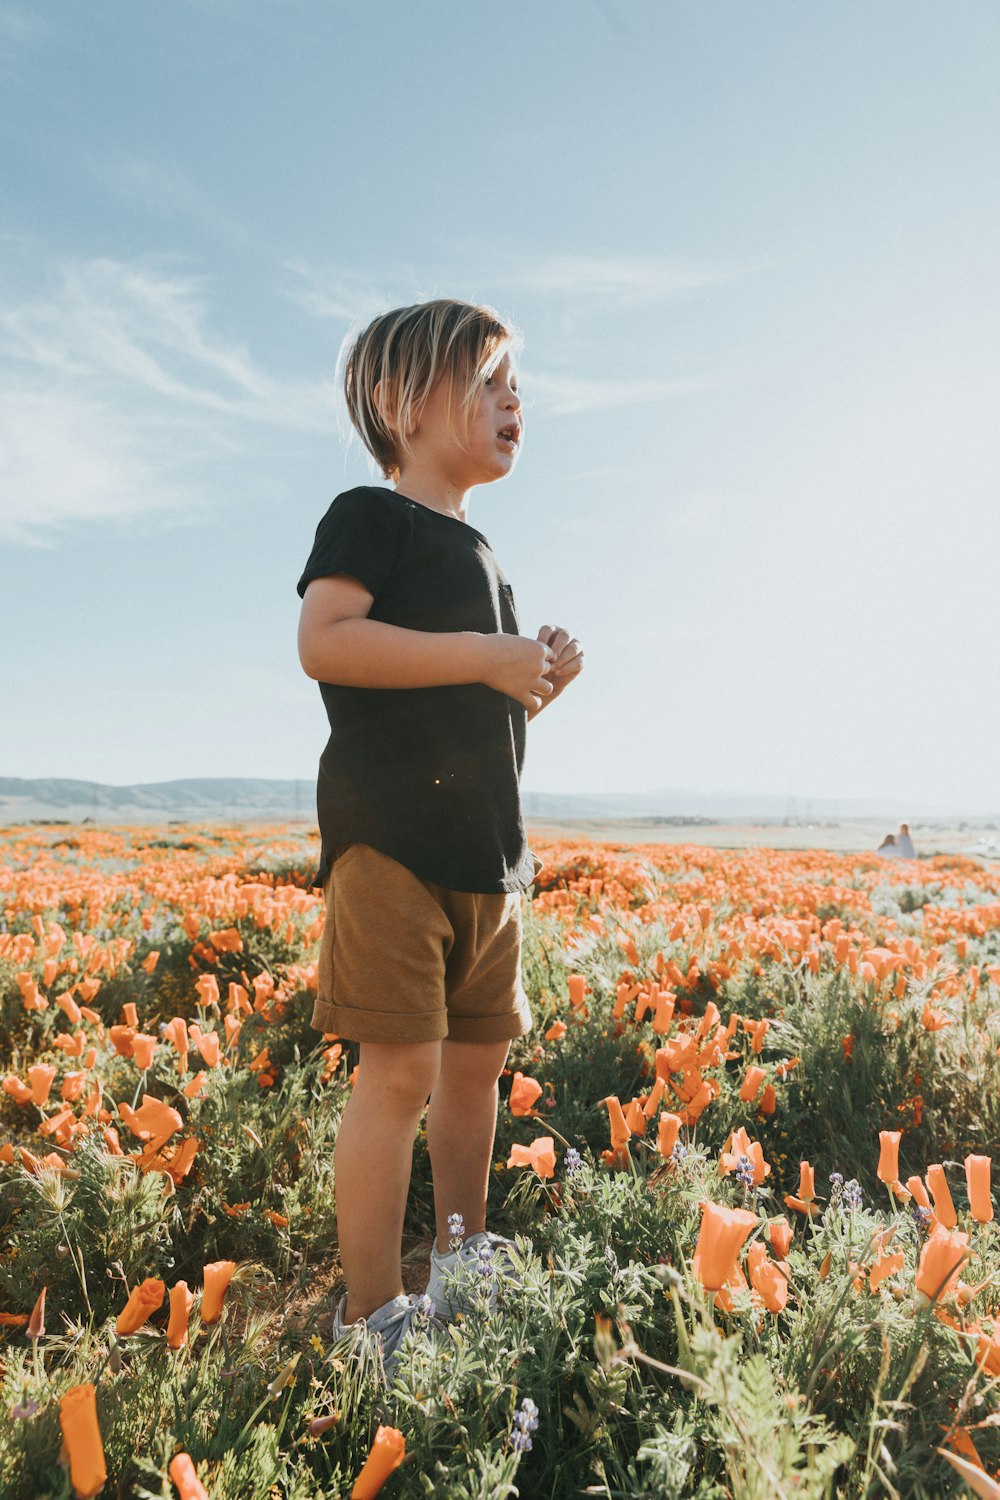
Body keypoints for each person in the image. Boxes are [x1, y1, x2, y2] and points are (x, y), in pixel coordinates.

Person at [295, 298, 583, 1382]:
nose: (517, 400)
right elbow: (326, 641)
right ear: (399, 404)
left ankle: (458, 1261)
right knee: (401, 1072)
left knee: (475, 1074)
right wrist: (482, 652)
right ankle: (370, 1317)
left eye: (518, 384)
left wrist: (533, 681)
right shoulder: (371, 520)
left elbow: (474, 710)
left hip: (487, 859)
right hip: (393, 850)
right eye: (491, 378)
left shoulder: (484, 552)